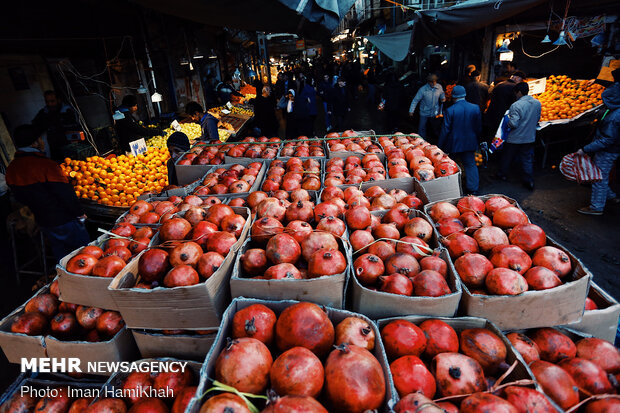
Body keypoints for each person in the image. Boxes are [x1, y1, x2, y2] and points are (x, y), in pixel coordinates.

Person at [6, 125, 90, 262]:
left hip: (43, 221)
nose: (43, 141)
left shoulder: (11, 169)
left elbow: (19, 197)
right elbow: (65, 194)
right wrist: (79, 213)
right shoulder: (46, 165)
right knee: (85, 255)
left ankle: (65, 279)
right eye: (40, 138)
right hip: (65, 219)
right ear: (35, 143)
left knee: (62, 258)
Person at [576, 70, 620, 216]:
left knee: (598, 177)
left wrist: (586, 149)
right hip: (611, 148)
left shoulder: (615, 116)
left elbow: (608, 139)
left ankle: (596, 207)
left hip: (609, 150)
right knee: (602, 174)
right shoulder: (614, 109)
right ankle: (610, 196)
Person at [496, 82, 541, 189]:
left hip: (515, 138)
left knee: (507, 157)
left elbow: (513, 124)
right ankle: (528, 180)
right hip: (529, 137)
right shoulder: (537, 103)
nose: (515, 95)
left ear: (519, 92)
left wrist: (507, 119)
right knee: (527, 159)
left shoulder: (516, 105)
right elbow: (537, 119)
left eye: (516, 93)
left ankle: (502, 174)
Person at [438, 86, 482, 194]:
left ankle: (448, 188)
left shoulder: (450, 110)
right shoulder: (475, 108)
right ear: (465, 95)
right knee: (470, 164)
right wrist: (477, 141)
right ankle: (473, 189)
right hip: (470, 142)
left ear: (453, 97)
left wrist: (439, 147)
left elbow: (445, 130)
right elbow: (478, 128)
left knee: (448, 165)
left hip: (453, 144)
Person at [32, 90, 80, 161]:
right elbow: (35, 125)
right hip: (54, 146)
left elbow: (75, 128)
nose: (50, 104)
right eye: (47, 102)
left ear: (58, 100)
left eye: (52, 101)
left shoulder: (67, 110)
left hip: (69, 144)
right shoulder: (44, 112)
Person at [485, 71, 526, 141]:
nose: (521, 83)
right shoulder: (514, 88)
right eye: (521, 80)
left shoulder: (499, 84)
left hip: (491, 116)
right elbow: (515, 104)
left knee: (489, 139)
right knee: (498, 141)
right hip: (501, 118)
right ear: (517, 78)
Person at [408, 74, 446, 139]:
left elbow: (442, 94)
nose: (433, 83)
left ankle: (437, 140)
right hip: (424, 112)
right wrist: (411, 111)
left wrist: (443, 98)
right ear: (428, 82)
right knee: (422, 128)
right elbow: (415, 100)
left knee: (436, 127)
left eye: (435, 81)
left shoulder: (439, 87)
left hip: (435, 112)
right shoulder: (422, 89)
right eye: (431, 81)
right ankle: (421, 141)